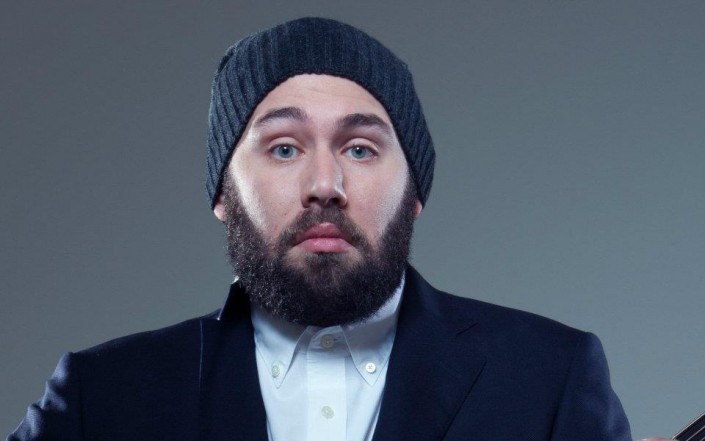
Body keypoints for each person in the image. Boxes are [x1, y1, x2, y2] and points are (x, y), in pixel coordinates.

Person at [7, 17, 670, 441]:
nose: (325, 183)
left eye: (360, 148)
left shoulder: (551, 375)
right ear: (222, 193)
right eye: (283, 148)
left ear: (414, 193)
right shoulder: (102, 395)